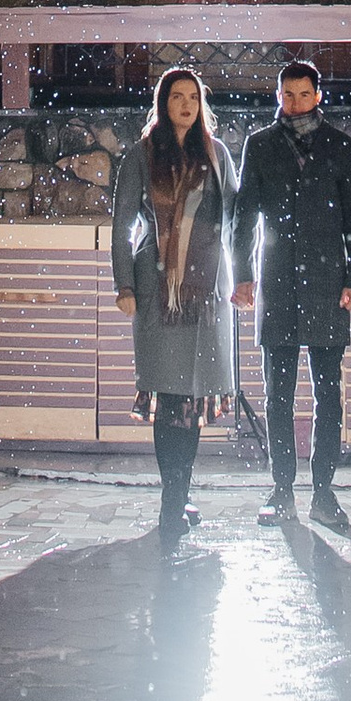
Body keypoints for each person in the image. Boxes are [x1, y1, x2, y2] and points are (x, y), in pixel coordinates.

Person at [231, 57, 351, 527]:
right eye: (287, 95)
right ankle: (281, 488)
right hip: (279, 280)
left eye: (303, 94)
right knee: (278, 394)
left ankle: (324, 492)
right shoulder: (261, 145)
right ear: (278, 97)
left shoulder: (339, 146)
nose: (294, 102)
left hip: (330, 282)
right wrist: (242, 275)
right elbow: (245, 215)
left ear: (318, 96)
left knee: (329, 394)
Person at [110, 65, 240, 542]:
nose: (185, 105)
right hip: (157, 288)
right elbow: (125, 223)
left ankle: (180, 493)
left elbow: (234, 222)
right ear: (163, 104)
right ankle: (173, 499)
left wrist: (241, 278)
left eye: (192, 97)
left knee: (192, 399)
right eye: (176, 97)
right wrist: (124, 285)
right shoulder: (142, 156)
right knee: (168, 397)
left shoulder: (217, 153)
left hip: (207, 294)